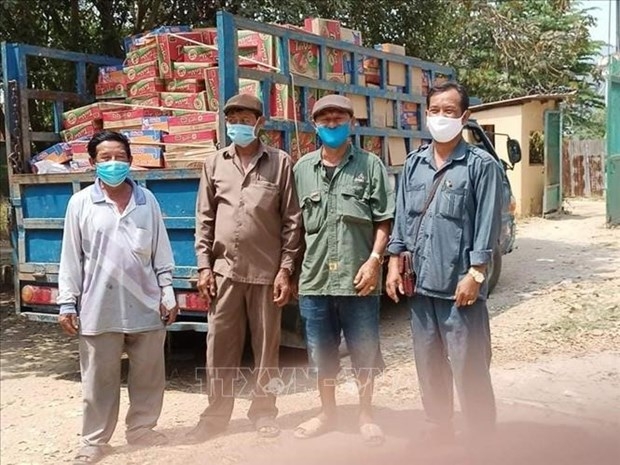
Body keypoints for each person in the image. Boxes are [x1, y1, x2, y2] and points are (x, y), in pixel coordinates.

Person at [385, 81, 503, 443]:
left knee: (469, 366)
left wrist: (477, 274)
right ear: (426, 113)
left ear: (464, 117)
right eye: (435, 110)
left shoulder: (481, 165)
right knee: (429, 363)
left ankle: (481, 435)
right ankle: (439, 426)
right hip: (420, 285)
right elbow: (403, 219)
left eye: (449, 111)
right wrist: (392, 263)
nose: (440, 117)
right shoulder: (415, 164)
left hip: (459, 288)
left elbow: (488, 223)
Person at [57, 131, 178, 465]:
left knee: (149, 374)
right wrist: (67, 301)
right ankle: (94, 440)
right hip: (99, 306)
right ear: (93, 162)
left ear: (130, 159)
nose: (113, 163)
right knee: (99, 378)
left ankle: (142, 429)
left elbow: (160, 250)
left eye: (119, 156)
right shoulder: (80, 203)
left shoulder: (147, 200)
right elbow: (71, 257)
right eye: (105, 158)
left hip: (146, 302)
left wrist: (168, 292)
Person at [190, 94, 302, 441]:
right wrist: (204, 267)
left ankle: (264, 410)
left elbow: (292, 221)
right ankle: (215, 415)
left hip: (266, 274)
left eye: (245, 117)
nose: (238, 123)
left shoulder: (280, 163)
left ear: (259, 122)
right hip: (224, 273)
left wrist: (286, 269)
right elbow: (204, 218)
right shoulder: (214, 163)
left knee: (267, 348)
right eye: (232, 117)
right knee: (219, 346)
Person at [292, 95, 394, 446]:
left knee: (364, 350)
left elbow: (384, 220)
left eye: (339, 118)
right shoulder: (302, 169)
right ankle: (327, 412)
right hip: (316, 280)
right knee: (321, 353)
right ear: (314, 125)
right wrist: (288, 272)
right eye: (325, 119)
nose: (332, 124)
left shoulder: (370, 166)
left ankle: (366, 414)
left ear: (352, 122)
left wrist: (374, 260)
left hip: (358, 278)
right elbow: (294, 228)